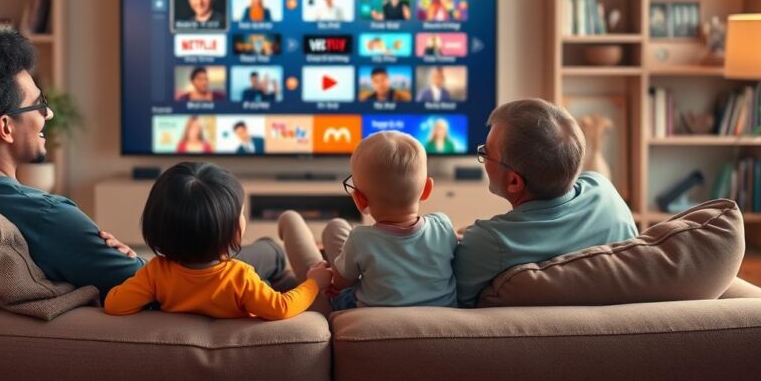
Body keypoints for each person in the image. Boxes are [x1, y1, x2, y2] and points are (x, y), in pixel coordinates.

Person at [0, 29, 288, 302]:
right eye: (38, 104)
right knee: (273, 251)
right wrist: (140, 264)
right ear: (6, 127)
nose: (48, 114)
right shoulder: (49, 217)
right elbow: (166, 290)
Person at [453, 99, 638, 307]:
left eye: (485, 153)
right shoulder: (604, 191)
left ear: (514, 181)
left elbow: (456, 304)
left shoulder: (489, 242)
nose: (484, 159)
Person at [104, 162, 332, 319]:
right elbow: (282, 307)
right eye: (241, 213)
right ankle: (296, 252)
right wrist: (315, 282)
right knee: (272, 248)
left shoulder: (155, 273)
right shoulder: (241, 277)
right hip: (271, 280)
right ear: (235, 231)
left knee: (277, 265)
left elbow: (114, 304)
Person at [277, 131, 457, 313]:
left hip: (362, 310)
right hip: (438, 312)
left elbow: (340, 283)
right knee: (336, 226)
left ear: (360, 200)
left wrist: (323, 278)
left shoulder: (361, 239)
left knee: (291, 220)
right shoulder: (443, 225)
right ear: (427, 189)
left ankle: (288, 222)